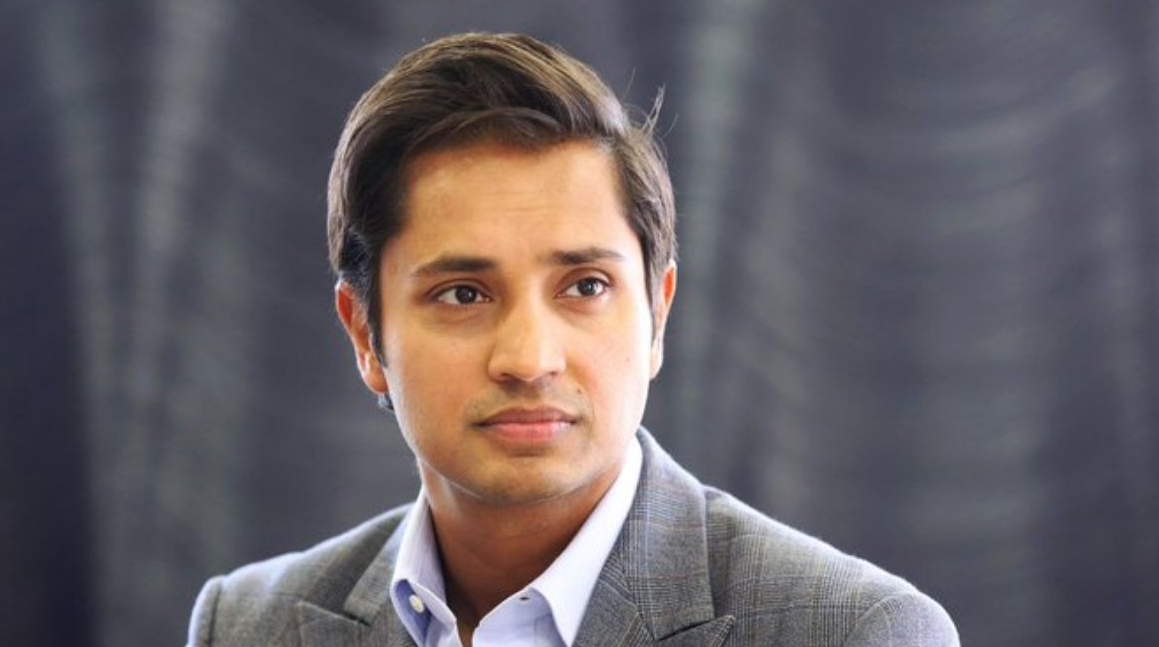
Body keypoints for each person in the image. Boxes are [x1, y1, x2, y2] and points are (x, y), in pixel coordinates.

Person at [186, 32, 959, 647]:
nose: (528, 357)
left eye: (585, 286)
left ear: (657, 312)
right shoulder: (251, 625)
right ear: (365, 334)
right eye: (463, 294)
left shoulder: (860, 632)